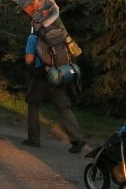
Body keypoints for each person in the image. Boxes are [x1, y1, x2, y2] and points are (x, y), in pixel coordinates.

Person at [22, 21, 85, 153]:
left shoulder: (34, 37)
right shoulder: (59, 33)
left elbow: (28, 60)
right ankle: (77, 139)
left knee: (33, 104)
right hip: (59, 74)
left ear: (35, 22)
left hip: (41, 77)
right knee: (64, 107)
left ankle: (34, 139)